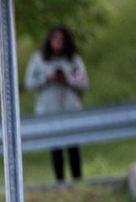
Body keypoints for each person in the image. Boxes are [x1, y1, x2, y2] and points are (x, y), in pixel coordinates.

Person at [24, 24, 89, 183]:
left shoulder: (73, 60)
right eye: (54, 39)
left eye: (61, 39)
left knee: (73, 146)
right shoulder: (39, 58)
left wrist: (67, 79)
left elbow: (84, 84)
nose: (57, 42)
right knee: (55, 147)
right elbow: (29, 83)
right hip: (49, 110)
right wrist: (46, 78)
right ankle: (59, 182)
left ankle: (77, 180)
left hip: (69, 108)